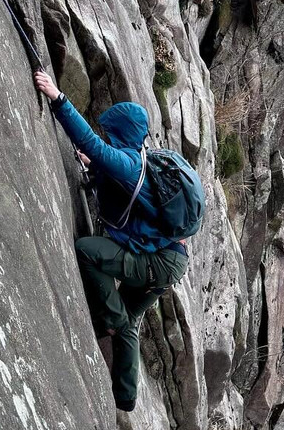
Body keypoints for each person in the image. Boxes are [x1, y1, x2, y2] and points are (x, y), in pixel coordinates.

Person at [34, 70, 189, 411]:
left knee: (88, 252)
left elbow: (91, 143)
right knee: (131, 321)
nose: (108, 135)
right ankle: (126, 398)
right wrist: (96, 167)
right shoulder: (140, 161)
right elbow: (106, 164)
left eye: (111, 131)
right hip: (172, 262)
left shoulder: (130, 165)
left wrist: (58, 98)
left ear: (121, 133)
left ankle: (111, 322)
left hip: (158, 263)